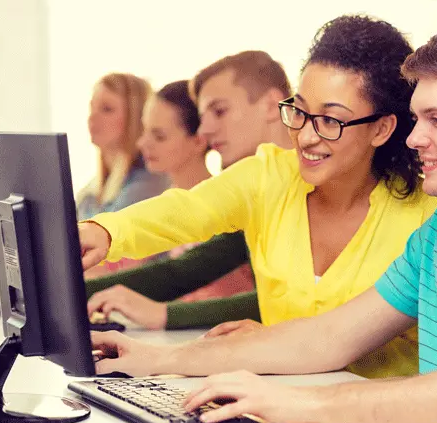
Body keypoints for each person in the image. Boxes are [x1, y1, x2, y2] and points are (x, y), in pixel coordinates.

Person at [85, 20, 437, 423]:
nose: (414, 139)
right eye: (416, 119)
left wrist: (302, 404)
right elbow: (328, 337)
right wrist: (158, 361)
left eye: (436, 121)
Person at [80, 15, 437, 379]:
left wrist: (268, 340)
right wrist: (104, 232)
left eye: (331, 121)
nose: (306, 136)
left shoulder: (428, 216)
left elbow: (335, 340)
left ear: (381, 128)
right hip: (278, 411)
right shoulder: (267, 178)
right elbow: (188, 209)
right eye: (300, 111)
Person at [82, 51, 293, 330]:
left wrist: (165, 314)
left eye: (219, 111)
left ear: (270, 105)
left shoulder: (306, 184)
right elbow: (184, 269)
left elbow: (286, 304)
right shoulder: (257, 184)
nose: (205, 129)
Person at [0, 73, 169, 293]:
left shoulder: (147, 185)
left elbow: (108, 269)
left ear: (135, 118)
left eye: (107, 109)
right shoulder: (94, 189)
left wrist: (18, 281)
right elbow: (52, 250)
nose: (92, 117)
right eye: (91, 107)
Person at [89, 79, 256, 300]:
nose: (142, 144)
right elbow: (125, 264)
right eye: (144, 131)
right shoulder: (163, 203)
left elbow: (179, 277)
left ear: (198, 141)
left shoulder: (226, 210)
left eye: (159, 136)